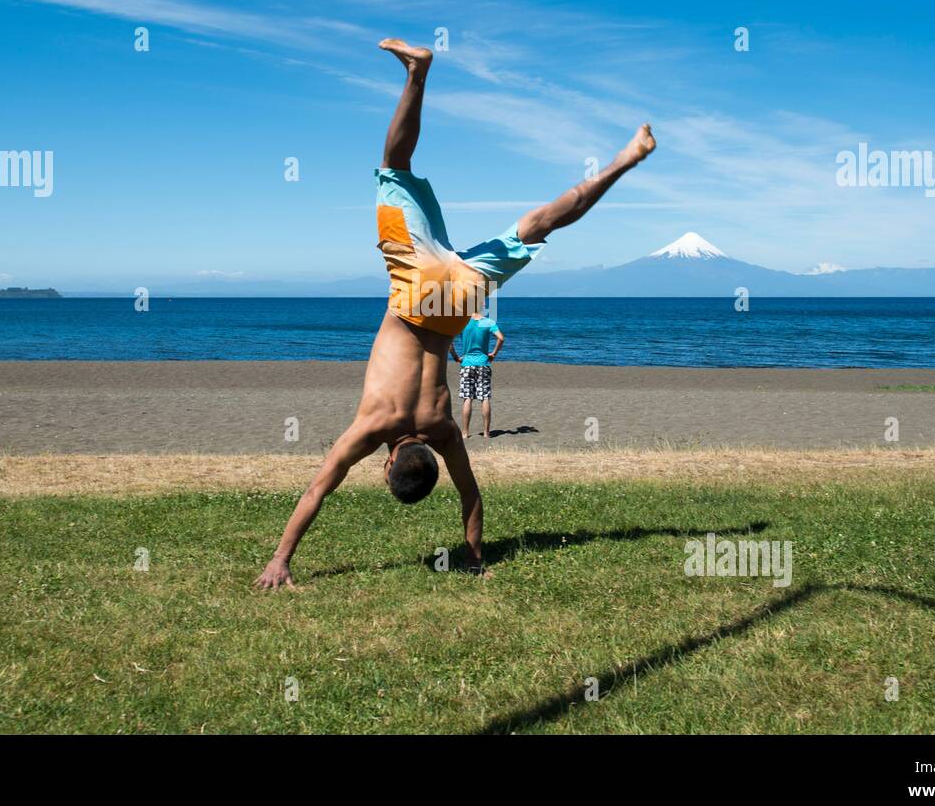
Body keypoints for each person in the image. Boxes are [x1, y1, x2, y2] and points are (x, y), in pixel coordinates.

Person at [253, 38, 655, 589]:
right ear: (389, 464)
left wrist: (474, 556)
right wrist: (281, 557)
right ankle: (417, 74)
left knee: (538, 226)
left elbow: (471, 495)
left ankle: (626, 159)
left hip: (453, 304)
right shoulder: (375, 428)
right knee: (394, 167)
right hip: (417, 294)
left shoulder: (444, 431)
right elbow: (318, 487)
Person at [450, 312, 504, 439]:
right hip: (483, 363)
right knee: (484, 398)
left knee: (467, 398)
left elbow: (449, 342)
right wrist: (493, 354)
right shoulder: (488, 322)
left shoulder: (462, 322)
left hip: (467, 364)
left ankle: (465, 433)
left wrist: (456, 357)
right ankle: (486, 433)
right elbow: (501, 338)